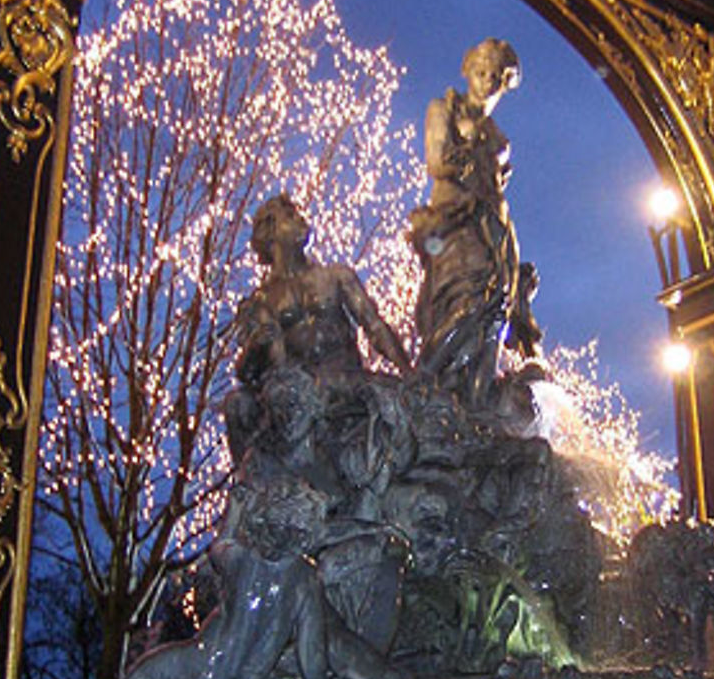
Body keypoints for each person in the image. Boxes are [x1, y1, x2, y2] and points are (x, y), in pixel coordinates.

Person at [225, 194, 409, 462]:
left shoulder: (335, 276)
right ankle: (252, 487)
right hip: (298, 392)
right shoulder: (261, 302)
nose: (302, 220)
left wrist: (407, 371)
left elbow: (375, 327)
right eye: (291, 216)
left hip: (346, 377)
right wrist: (255, 347)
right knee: (237, 405)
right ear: (272, 232)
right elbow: (248, 373)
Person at [410, 39, 538, 406]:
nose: (487, 81)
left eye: (496, 76)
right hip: (456, 219)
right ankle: (423, 378)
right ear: (467, 70)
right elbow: (436, 162)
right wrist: (468, 167)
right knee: (468, 297)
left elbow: (500, 185)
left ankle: (478, 405)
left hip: (494, 225)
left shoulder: (501, 138)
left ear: (506, 83)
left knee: (497, 307)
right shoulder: (444, 108)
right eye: (481, 72)